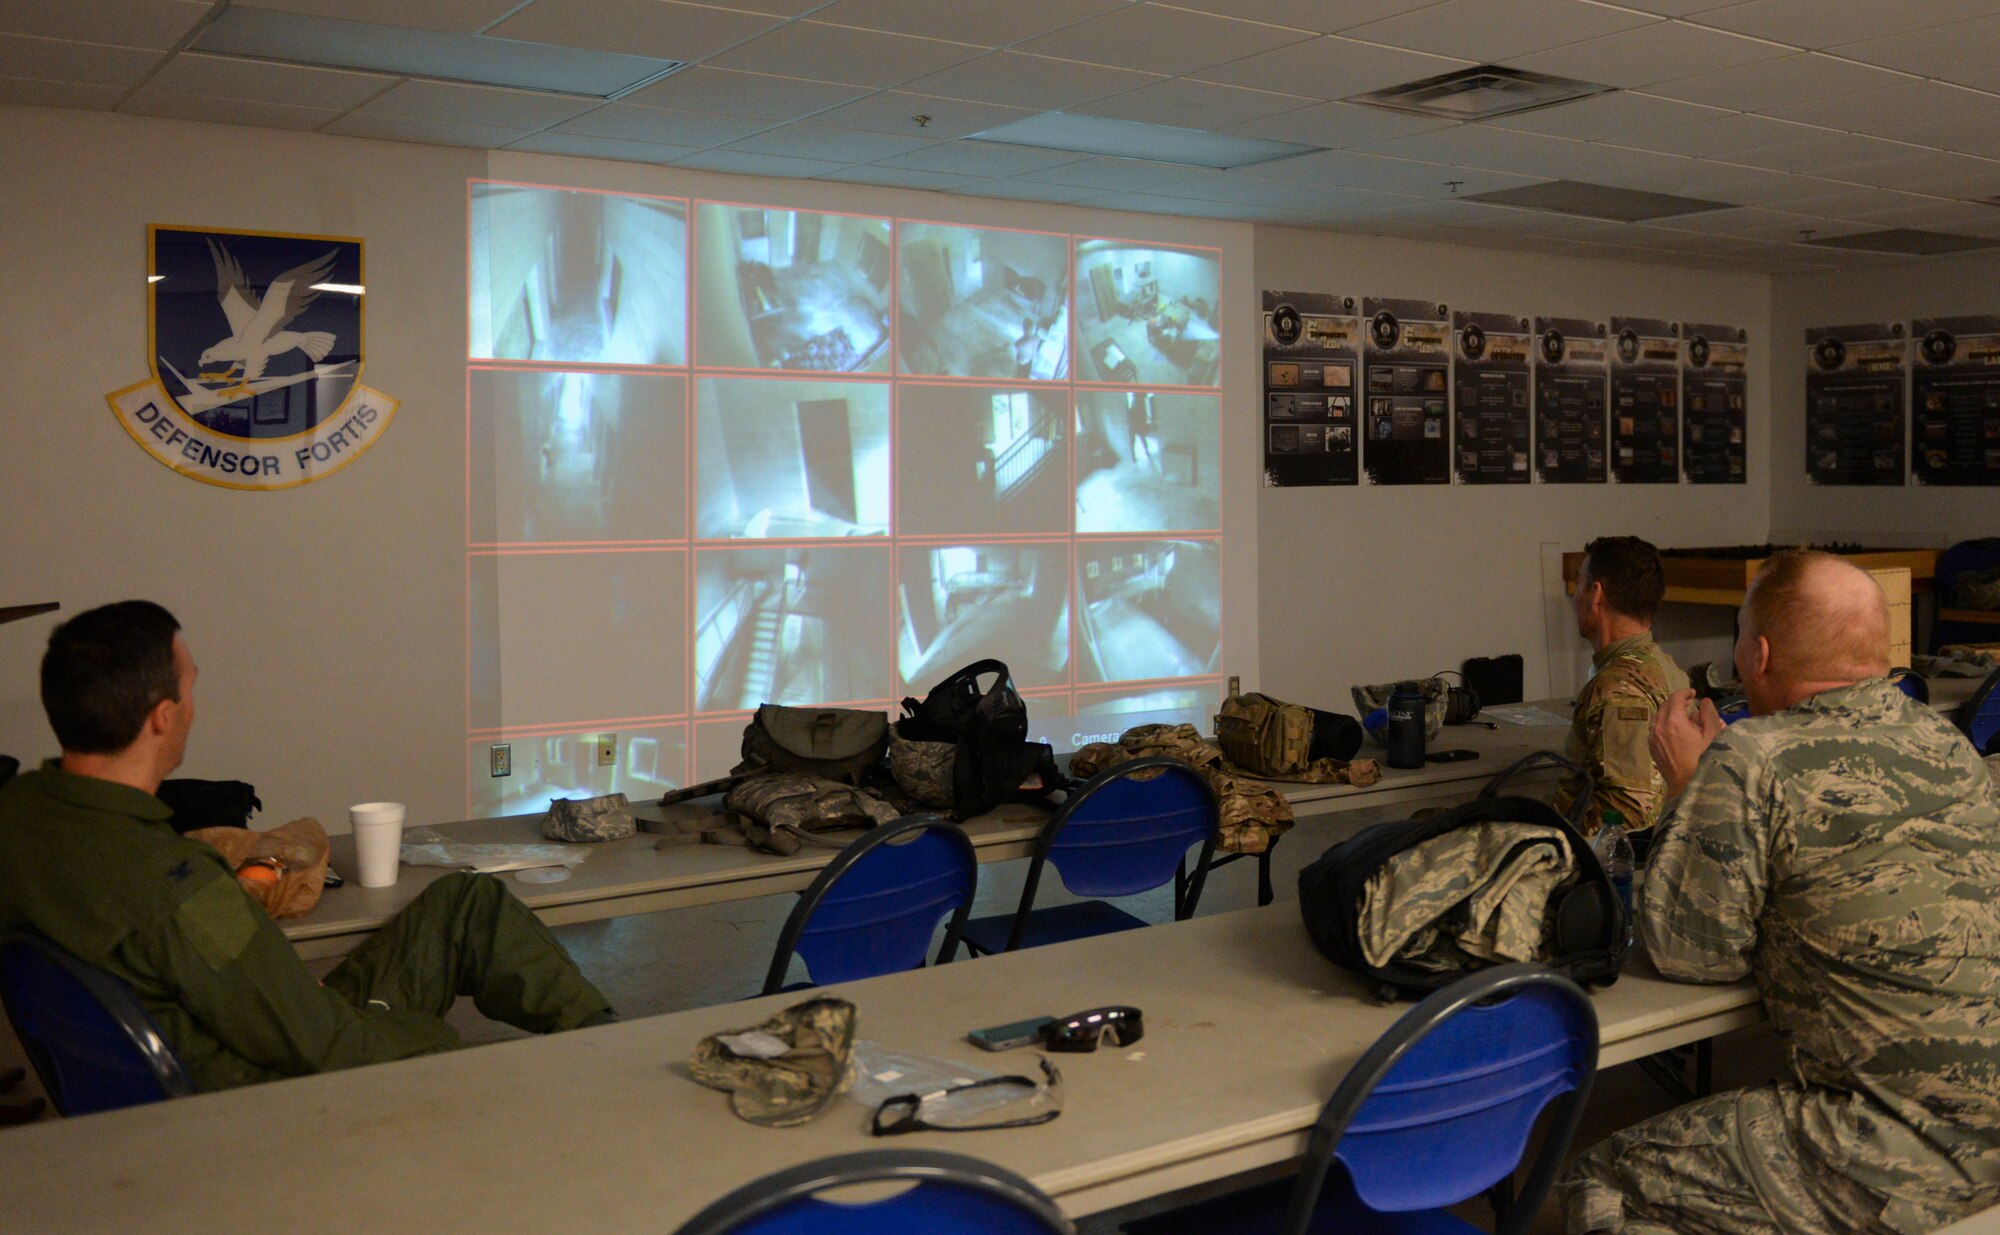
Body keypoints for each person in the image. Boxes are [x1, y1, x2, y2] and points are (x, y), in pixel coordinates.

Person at [0, 601, 615, 1093]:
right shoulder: (180, 887)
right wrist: (436, 1045)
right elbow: (325, 1045)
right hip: (271, 1095)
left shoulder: (19, 813)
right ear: (163, 716)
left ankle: (609, 1043)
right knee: (452, 1055)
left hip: (226, 1039)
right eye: (189, 689)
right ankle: (619, 1059)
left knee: (465, 904)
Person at [1563, 551, 2000, 1235]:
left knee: (1598, 1179)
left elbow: (1691, 953)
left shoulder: (1752, 758)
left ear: (1757, 654)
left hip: (1901, 1150)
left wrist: (1689, 786)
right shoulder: (1948, 745)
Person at [1555, 536, 1687, 835]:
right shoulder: (1666, 668)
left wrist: (1549, 836)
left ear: (1595, 594)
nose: (1575, 598)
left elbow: (1630, 810)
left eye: (1579, 585)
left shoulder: (1617, 688)